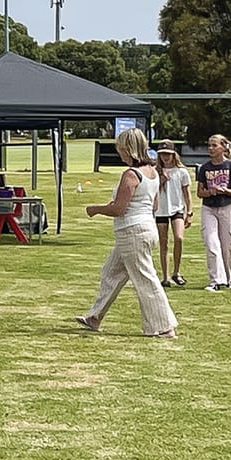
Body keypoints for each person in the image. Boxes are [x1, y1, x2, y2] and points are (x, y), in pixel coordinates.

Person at [74, 127, 177, 338]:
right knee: (111, 273)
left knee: (145, 279)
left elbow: (119, 209)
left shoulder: (131, 174)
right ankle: (94, 317)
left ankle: (164, 326)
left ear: (129, 149)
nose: (118, 152)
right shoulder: (153, 173)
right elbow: (154, 205)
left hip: (132, 232)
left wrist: (96, 209)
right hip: (144, 228)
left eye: (120, 148)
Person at [196, 134, 231, 290]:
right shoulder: (204, 168)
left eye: (214, 145)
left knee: (227, 244)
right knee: (211, 242)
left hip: (227, 207)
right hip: (209, 208)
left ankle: (229, 278)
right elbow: (200, 192)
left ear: (223, 147)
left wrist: (224, 190)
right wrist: (210, 192)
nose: (211, 148)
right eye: (209, 145)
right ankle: (215, 280)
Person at [154, 142, 193, 287]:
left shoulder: (181, 172)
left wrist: (189, 212)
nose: (165, 157)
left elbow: (187, 193)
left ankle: (176, 271)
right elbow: (151, 191)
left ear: (173, 154)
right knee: (163, 243)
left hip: (177, 209)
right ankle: (165, 277)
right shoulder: (155, 171)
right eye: (162, 154)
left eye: (168, 154)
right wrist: (161, 180)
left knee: (179, 237)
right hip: (161, 210)